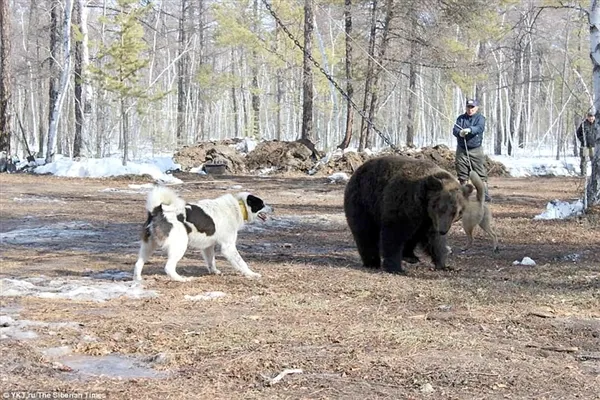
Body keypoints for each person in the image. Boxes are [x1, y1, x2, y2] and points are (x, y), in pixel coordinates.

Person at [452, 98, 490, 202]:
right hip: (462, 149)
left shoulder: (480, 118)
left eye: (472, 107)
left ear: (476, 108)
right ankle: (464, 195)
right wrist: (459, 132)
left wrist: (470, 130)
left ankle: (484, 195)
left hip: (476, 149)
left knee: (480, 173)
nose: (470, 109)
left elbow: (480, 128)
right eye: (468, 107)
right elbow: (454, 130)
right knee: (462, 173)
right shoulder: (461, 118)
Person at [576, 110, 598, 176]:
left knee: (594, 161)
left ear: (594, 117)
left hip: (594, 146)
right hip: (585, 146)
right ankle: (583, 174)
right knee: (584, 161)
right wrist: (582, 140)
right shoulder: (583, 124)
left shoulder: (597, 124)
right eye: (589, 116)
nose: (591, 118)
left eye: (592, 116)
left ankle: (594, 175)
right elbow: (578, 133)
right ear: (587, 117)